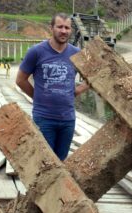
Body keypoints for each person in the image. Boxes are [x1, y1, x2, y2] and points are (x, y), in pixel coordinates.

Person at [15, 13, 90, 160]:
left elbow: (93, 76)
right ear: (51, 28)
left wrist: (75, 91)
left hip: (68, 119)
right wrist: (37, 97)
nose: (63, 31)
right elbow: (20, 80)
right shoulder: (36, 51)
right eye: (60, 27)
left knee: (61, 162)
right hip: (44, 119)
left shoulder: (77, 54)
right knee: (45, 163)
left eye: (67, 28)